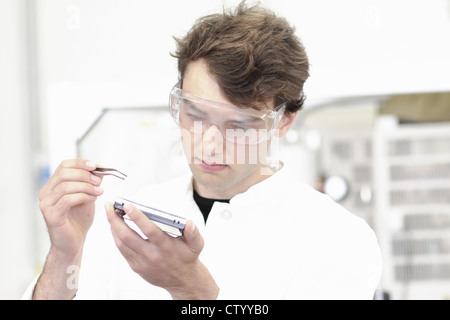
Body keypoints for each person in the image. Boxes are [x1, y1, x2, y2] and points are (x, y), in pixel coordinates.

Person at [24, 1, 382, 300]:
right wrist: (65, 253)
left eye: (239, 126)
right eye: (194, 114)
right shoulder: (126, 224)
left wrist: (191, 287)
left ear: (284, 121)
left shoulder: (339, 240)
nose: (209, 144)